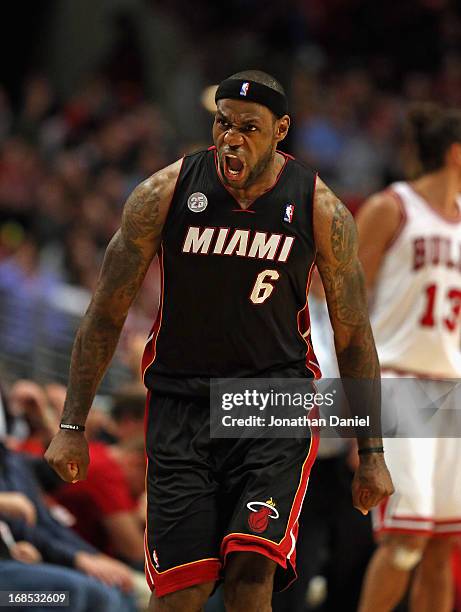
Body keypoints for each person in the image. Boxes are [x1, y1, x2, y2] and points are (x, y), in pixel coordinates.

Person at [45, 70, 393, 612]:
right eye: (223, 123)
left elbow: (352, 333)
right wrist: (71, 424)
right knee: (183, 591)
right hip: (182, 403)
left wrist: (371, 451)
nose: (232, 137)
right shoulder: (164, 192)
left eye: (249, 127)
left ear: (280, 130)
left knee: (251, 574)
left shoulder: (320, 208)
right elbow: (104, 314)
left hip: (272, 402)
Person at [357, 104, 461, 612]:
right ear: (456, 154)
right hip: (397, 383)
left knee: (443, 545)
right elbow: (339, 294)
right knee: (405, 542)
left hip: (453, 388)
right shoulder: (391, 207)